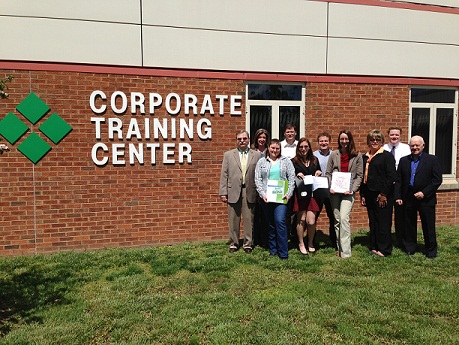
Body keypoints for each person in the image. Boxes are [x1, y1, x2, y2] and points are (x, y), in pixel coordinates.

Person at [395, 135, 442, 258]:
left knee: (428, 225)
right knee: (409, 224)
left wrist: (424, 193)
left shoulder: (432, 160)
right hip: (408, 196)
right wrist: (398, 196)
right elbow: (398, 180)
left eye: (417, 145)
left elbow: (437, 180)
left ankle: (431, 249)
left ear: (423, 146)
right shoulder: (404, 160)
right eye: (412, 145)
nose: (414, 147)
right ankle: (410, 247)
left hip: (426, 198)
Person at [219, 130, 261, 253]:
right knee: (233, 219)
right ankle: (234, 243)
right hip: (233, 190)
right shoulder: (228, 155)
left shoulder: (256, 155)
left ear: (248, 140)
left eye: (244, 138)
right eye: (239, 139)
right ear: (236, 141)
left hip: (249, 191)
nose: (242, 141)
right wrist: (223, 192)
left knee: (249, 219)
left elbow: (259, 174)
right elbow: (224, 174)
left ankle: (248, 244)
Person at [255, 139, 295, 259]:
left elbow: (291, 178)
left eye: (277, 148)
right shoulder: (262, 161)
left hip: (281, 198)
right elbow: (258, 179)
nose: (275, 150)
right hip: (267, 198)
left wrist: (288, 194)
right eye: (272, 148)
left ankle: (283, 253)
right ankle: (273, 250)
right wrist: (262, 194)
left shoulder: (286, 161)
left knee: (280, 221)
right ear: (268, 148)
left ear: (280, 149)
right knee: (270, 224)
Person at [326, 130, 363, 258]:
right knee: (336, 220)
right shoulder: (334, 154)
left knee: (343, 218)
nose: (344, 141)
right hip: (335, 192)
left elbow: (359, 176)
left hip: (348, 192)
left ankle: (346, 252)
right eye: (342, 139)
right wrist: (330, 186)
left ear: (350, 139)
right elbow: (328, 173)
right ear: (339, 140)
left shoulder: (357, 155)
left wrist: (353, 189)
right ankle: (339, 247)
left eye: (346, 139)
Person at [360, 130, 397, 257]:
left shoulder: (386, 156)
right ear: (368, 142)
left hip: (382, 195)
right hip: (369, 194)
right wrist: (363, 195)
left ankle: (384, 249)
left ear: (381, 142)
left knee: (383, 222)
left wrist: (384, 194)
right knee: (373, 221)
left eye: (378, 140)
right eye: (372, 140)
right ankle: (374, 246)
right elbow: (363, 178)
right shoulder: (365, 157)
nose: (375, 142)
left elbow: (391, 176)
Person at [292, 138, 322, 255]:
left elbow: (318, 171)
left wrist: (319, 173)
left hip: (313, 194)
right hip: (300, 194)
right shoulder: (294, 161)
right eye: (301, 147)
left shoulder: (315, 160)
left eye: (305, 146)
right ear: (298, 148)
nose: (303, 149)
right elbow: (289, 175)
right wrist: (296, 174)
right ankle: (301, 243)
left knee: (310, 221)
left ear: (309, 147)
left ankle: (310, 242)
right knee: (301, 219)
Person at [382, 126, 411, 248]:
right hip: (387, 187)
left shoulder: (406, 149)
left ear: (401, 136)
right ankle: (386, 239)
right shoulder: (383, 148)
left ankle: (401, 240)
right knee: (386, 215)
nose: (394, 137)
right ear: (388, 135)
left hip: (400, 187)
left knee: (401, 215)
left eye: (397, 135)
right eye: (392, 135)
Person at [313, 132, 336, 248]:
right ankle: (312, 240)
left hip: (332, 189)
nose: (323, 143)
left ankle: (334, 241)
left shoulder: (335, 154)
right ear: (318, 142)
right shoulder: (313, 155)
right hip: (318, 189)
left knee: (332, 216)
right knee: (314, 216)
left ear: (329, 142)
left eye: (326, 141)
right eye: (321, 141)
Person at [251, 128, 270, 248]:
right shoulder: (252, 151)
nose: (262, 140)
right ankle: (255, 239)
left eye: (264, 137)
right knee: (255, 214)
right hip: (254, 187)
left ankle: (265, 239)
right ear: (256, 138)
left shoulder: (270, 151)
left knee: (265, 215)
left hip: (268, 188)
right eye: (260, 137)